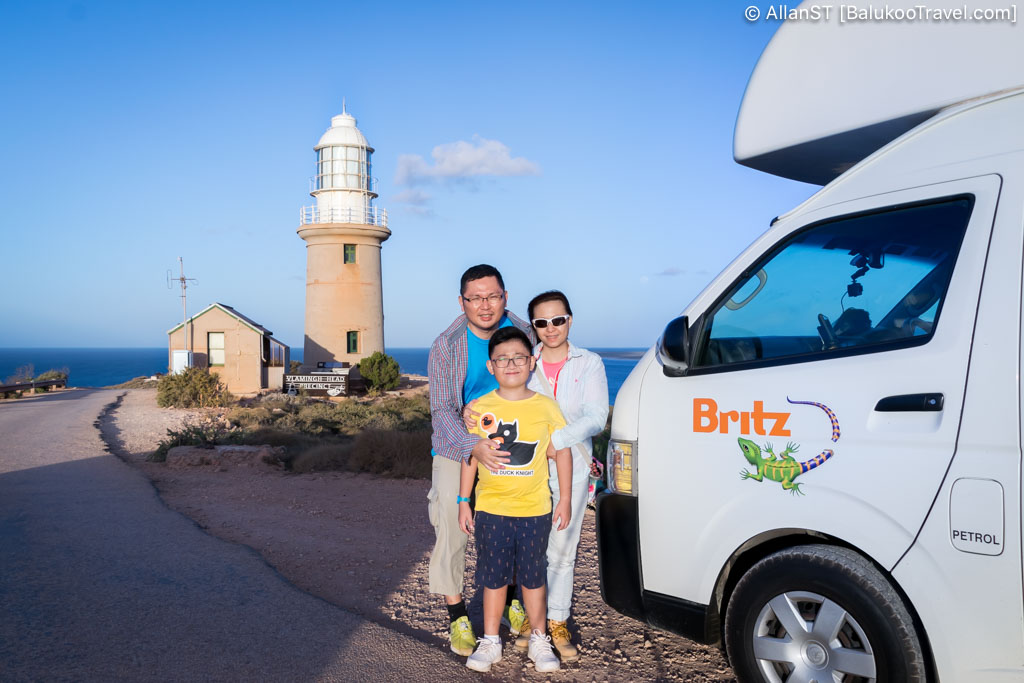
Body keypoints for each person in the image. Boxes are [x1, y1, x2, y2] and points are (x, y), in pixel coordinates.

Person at [427, 264, 535, 657]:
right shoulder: (446, 345)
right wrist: (472, 444)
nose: (485, 305)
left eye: (492, 296)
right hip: (457, 445)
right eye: (475, 298)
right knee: (450, 519)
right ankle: (457, 613)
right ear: (462, 302)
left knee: (510, 523)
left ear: (505, 297)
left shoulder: (526, 334)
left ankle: (508, 600)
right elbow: (441, 409)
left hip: (512, 440)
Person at [457, 326, 572, 673]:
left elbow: (562, 452)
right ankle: (490, 640)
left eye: (519, 357)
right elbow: (470, 456)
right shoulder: (480, 408)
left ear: (531, 362)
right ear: (490, 366)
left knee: (533, 577)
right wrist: (463, 500)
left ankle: (539, 639)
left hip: (535, 509)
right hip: (492, 509)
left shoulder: (547, 407)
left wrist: (565, 498)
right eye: (502, 359)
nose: (511, 364)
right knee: (493, 577)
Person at [518, 290, 609, 660]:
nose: (551, 328)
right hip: (528, 468)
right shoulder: (525, 362)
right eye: (541, 322)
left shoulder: (589, 363)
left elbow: (597, 416)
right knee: (530, 547)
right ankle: (532, 617)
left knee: (562, 548)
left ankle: (557, 619)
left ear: (570, 320)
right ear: (533, 327)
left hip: (573, 468)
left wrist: (556, 440)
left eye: (558, 320)